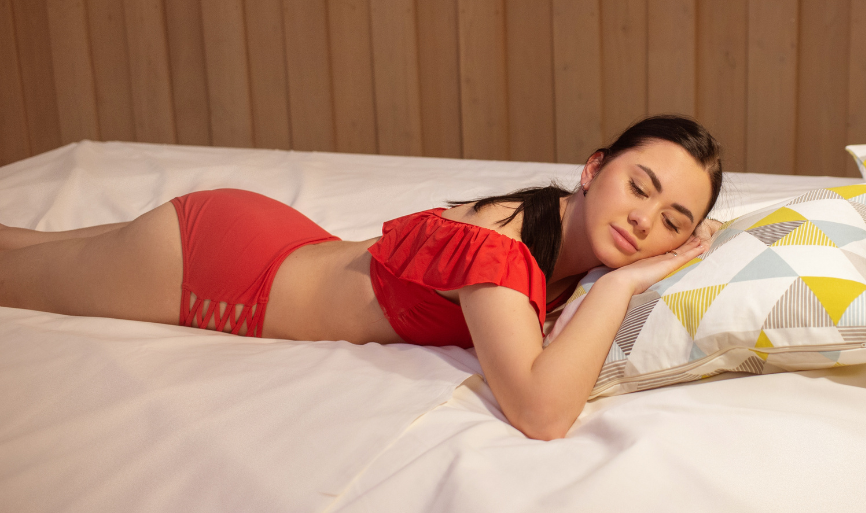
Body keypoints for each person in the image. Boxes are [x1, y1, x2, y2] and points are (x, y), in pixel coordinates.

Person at [0, 115, 723, 440]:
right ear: (595, 169)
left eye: (671, 220)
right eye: (640, 185)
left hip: (274, 240)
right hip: (216, 270)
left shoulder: (559, 241)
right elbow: (542, 412)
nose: (644, 221)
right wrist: (629, 284)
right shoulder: (503, 248)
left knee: (22, 247)